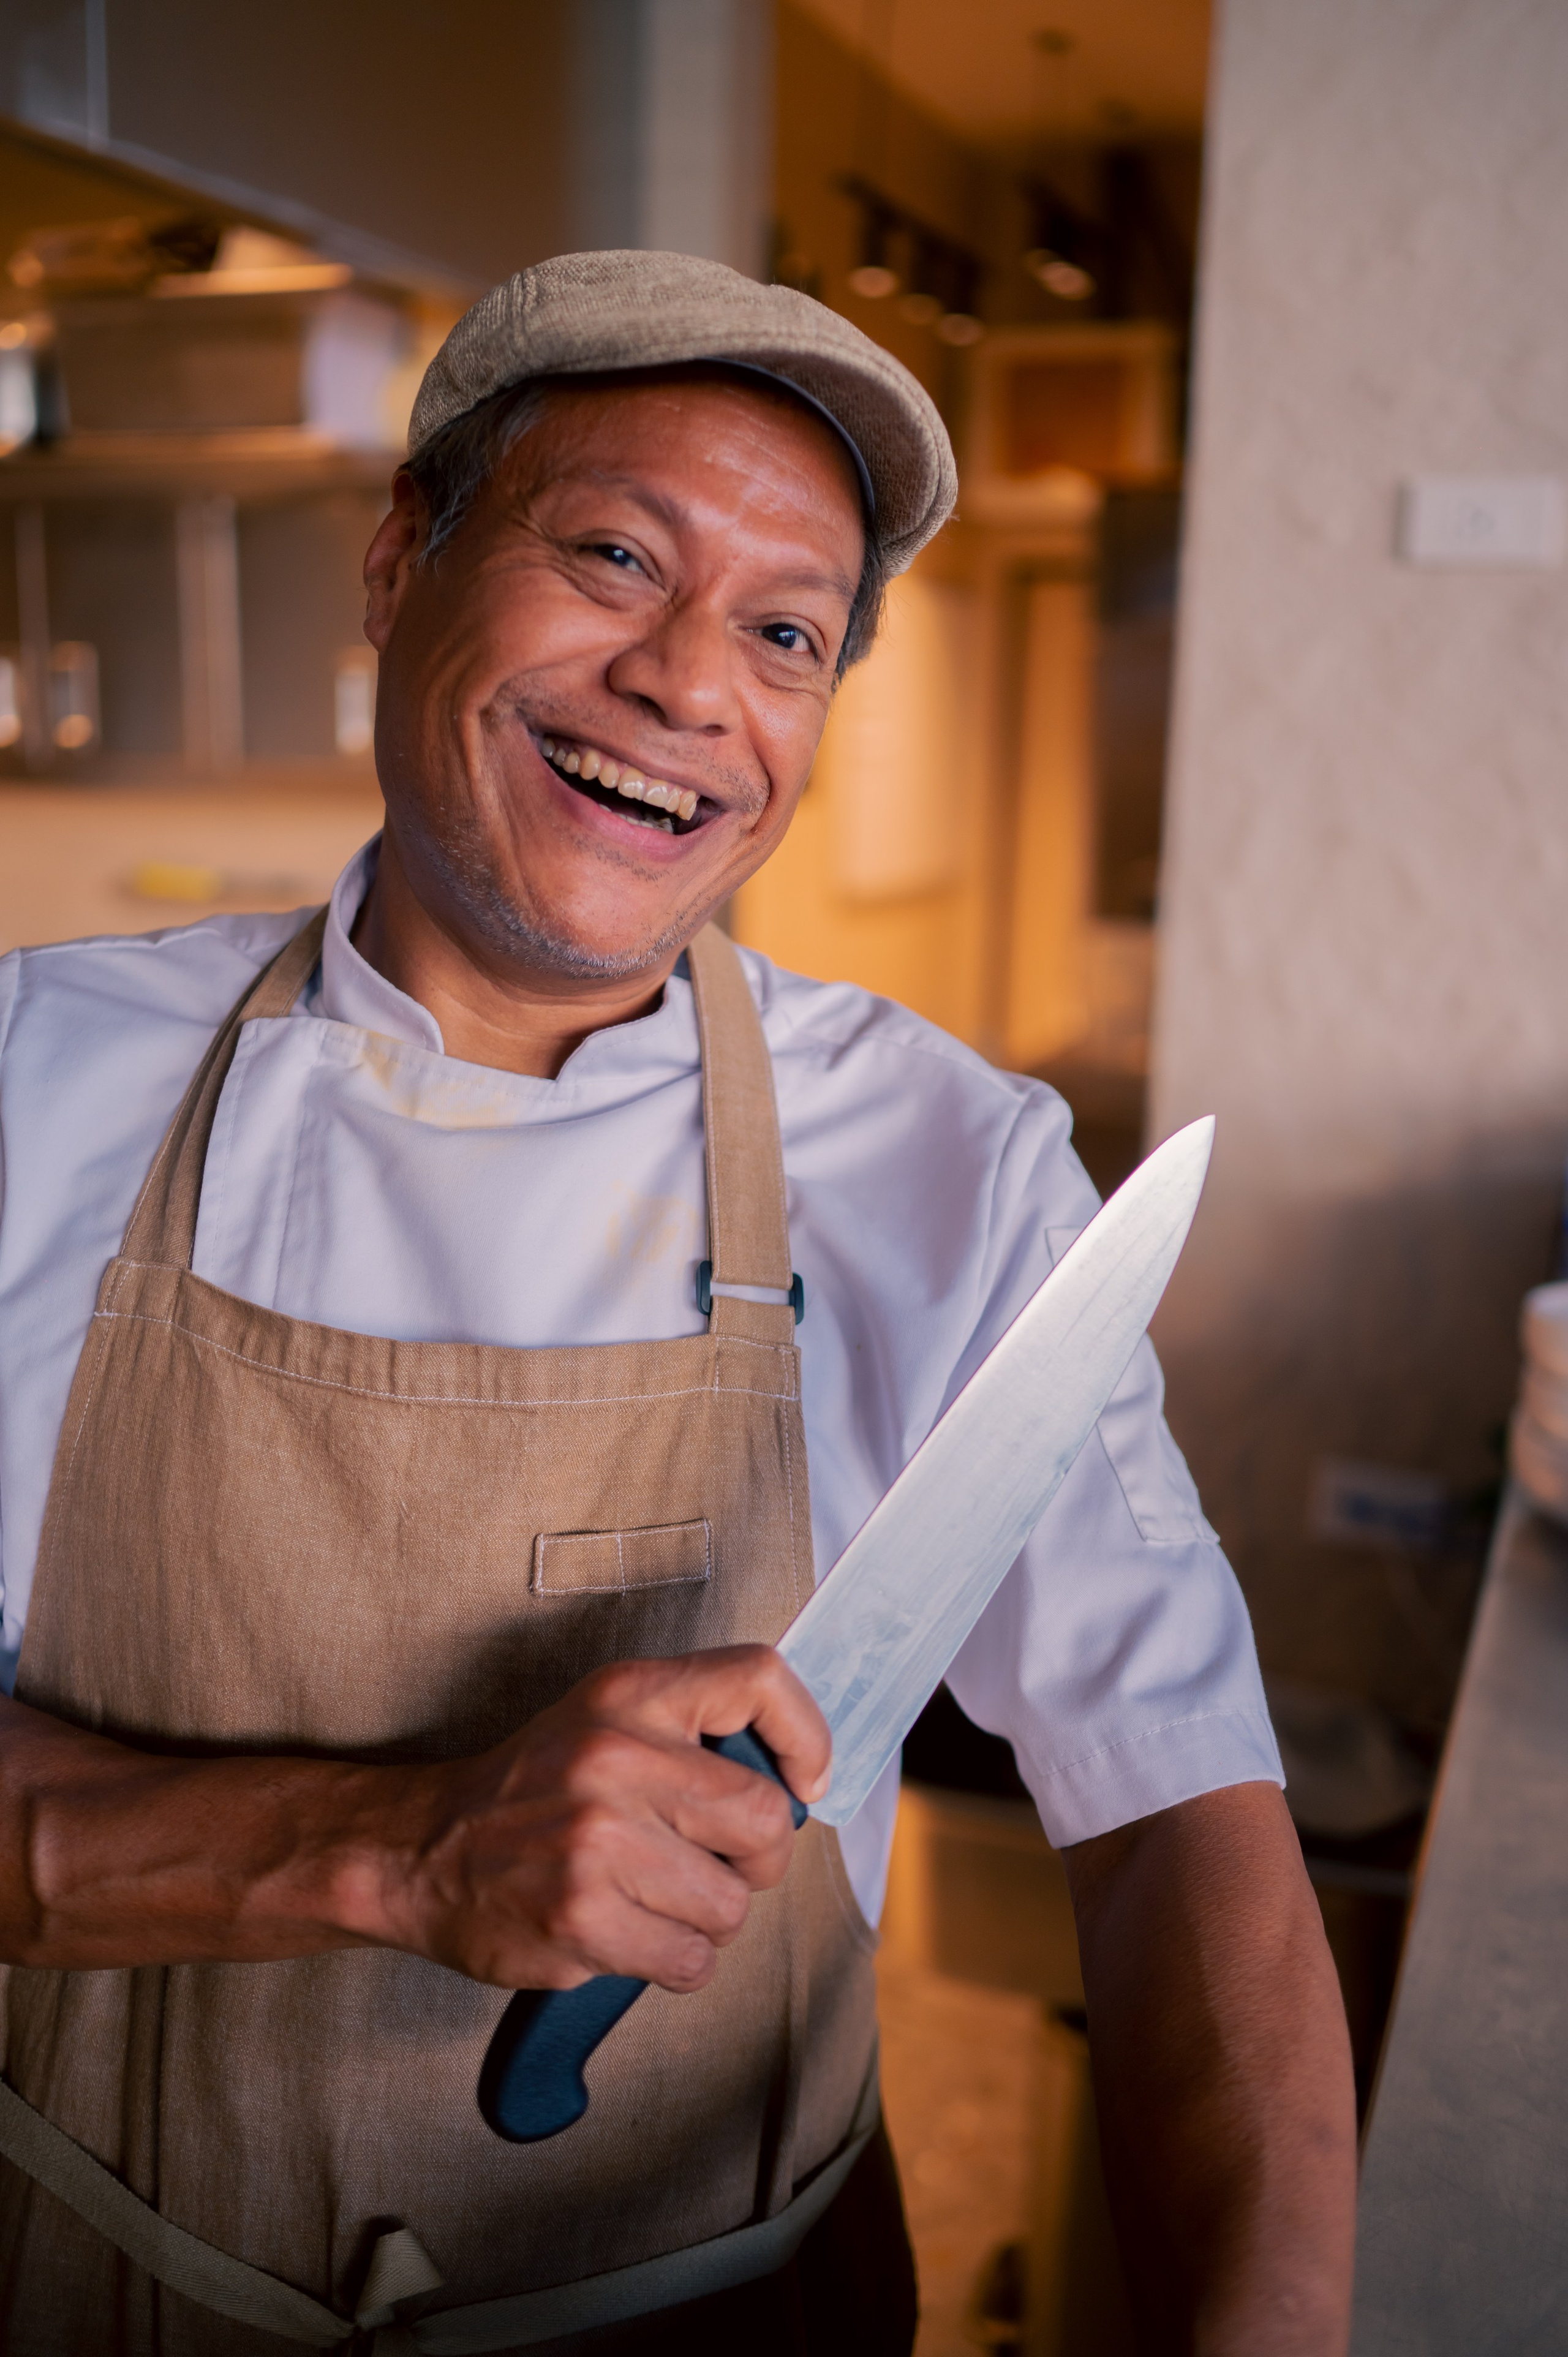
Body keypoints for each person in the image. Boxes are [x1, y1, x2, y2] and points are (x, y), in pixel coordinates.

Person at [0, 251, 1355, 2356]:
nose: (688, 683)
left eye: (787, 633)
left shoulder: (950, 1166)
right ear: (399, 564)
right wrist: (395, 1850)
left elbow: (1179, 1820)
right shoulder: (33, 1080)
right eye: (615, 558)